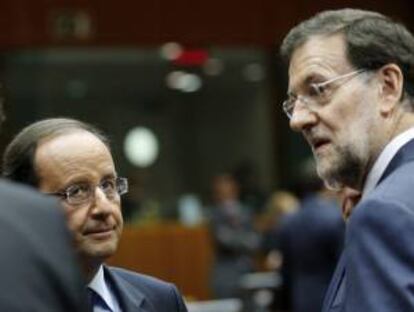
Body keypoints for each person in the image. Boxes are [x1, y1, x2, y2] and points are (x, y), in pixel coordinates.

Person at [280, 8, 414, 311]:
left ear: (388, 87)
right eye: (292, 102)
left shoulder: (386, 214)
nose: (297, 120)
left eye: (318, 89)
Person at [2, 118, 188, 312]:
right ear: (25, 205)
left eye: (108, 185)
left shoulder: (162, 301)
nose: (104, 208)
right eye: (76, 191)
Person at [208, 173, 260, 298]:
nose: (227, 195)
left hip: (248, 273)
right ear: (217, 194)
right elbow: (225, 240)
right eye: (222, 191)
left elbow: (256, 241)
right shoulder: (214, 215)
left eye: (229, 190)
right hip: (226, 277)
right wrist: (244, 239)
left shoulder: (246, 212)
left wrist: (236, 237)